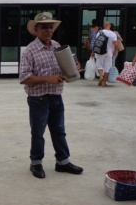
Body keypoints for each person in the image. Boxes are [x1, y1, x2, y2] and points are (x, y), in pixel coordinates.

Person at [19, 12, 83, 179]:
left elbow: (63, 69)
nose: (48, 30)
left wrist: (73, 68)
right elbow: (24, 78)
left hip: (56, 96)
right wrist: (48, 79)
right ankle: (36, 163)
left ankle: (63, 162)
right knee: (38, 133)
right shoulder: (29, 51)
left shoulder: (56, 46)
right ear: (36, 29)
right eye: (44, 27)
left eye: (50, 27)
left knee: (59, 131)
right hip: (38, 99)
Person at [92, 21, 118, 87]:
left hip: (100, 51)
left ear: (104, 26)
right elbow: (116, 45)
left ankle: (101, 77)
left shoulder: (100, 32)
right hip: (109, 52)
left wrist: (93, 51)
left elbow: (96, 43)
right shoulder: (113, 34)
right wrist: (114, 51)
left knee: (99, 65)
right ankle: (104, 82)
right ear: (110, 26)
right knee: (107, 67)